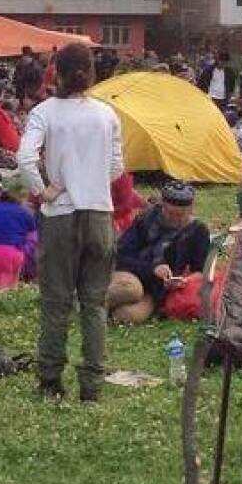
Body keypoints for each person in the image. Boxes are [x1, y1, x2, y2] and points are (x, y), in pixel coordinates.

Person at [17, 42, 124, 401]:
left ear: (55, 73)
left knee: (56, 302)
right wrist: (91, 180)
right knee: (94, 305)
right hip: (99, 214)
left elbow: (25, 159)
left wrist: (43, 189)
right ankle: (92, 386)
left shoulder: (44, 113)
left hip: (61, 215)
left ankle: (50, 382)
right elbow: (117, 167)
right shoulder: (107, 114)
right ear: (91, 74)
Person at [107, 182, 211, 324]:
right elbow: (121, 256)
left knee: (129, 316)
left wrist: (181, 281)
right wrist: (153, 268)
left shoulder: (198, 231)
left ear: (191, 209)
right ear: (162, 206)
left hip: (155, 289)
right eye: (169, 213)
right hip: (130, 274)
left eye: (180, 215)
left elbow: (199, 270)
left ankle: (102, 308)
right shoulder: (146, 219)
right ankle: (86, 301)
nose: (175, 218)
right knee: (132, 290)